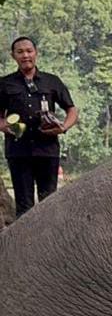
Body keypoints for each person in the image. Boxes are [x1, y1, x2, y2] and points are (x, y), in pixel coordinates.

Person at [0, 37, 78, 218]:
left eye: (29, 51)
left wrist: (63, 127)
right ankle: (24, 245)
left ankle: (50, 244)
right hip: (18, 151)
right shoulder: (4, 84)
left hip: (47, 150)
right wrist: (5, 126)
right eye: (20, 52)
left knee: (49, 202)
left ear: (36, 53)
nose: (25, 55)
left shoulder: (52, 82)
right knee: (24, 204)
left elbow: (72, 110)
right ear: (13, 56)